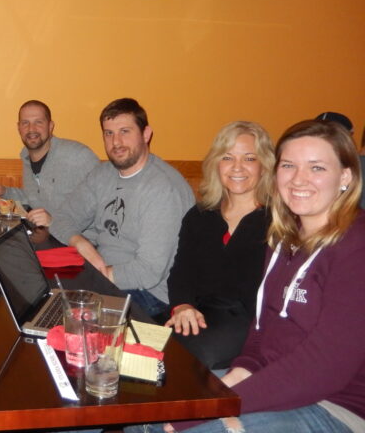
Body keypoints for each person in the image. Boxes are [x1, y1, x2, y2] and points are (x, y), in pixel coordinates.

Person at [128, 120, 365, 433]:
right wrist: (235, 377)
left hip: (335, 404)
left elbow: (320, 369)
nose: (299, 179)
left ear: (345, 177)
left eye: (317, 168)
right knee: (139, 418)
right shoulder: (285, 239)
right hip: (273, 376)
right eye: (290, 166)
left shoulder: (355, 245)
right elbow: (260, 333)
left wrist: (209, 407)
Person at [47, 98, 194, 321]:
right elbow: (62, 218)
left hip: (150, 294)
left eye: (125, 131)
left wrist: (99, 276)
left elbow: (148, 271)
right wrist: (81, 243)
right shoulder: (103, 174)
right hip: (109, 276)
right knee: (43, 293)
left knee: (68, 316)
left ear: (146, 134)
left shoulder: (163, 188)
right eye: (108, 133)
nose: (116, 142)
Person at [165, 121, 273, 370]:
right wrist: (182, 306)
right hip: (199, 314)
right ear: (216, 164)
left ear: (264, 166)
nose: (237, 167)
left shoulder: (279, 222)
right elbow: (181, 273)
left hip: (248, 324)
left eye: (249, 158)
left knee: (180, 359)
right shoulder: (200, 215)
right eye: (227, 157)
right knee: (136, 335)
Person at [0, 100, 100, 227]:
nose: (31, 129)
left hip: (83, 241)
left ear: (50, 126)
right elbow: (36, 196)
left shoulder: (77, 155)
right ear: (19, 128)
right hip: (48, 235)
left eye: (38, 122)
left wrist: (54, 223)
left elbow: (100, 202)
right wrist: (5, 192)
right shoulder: (27, 158)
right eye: (25, 123)